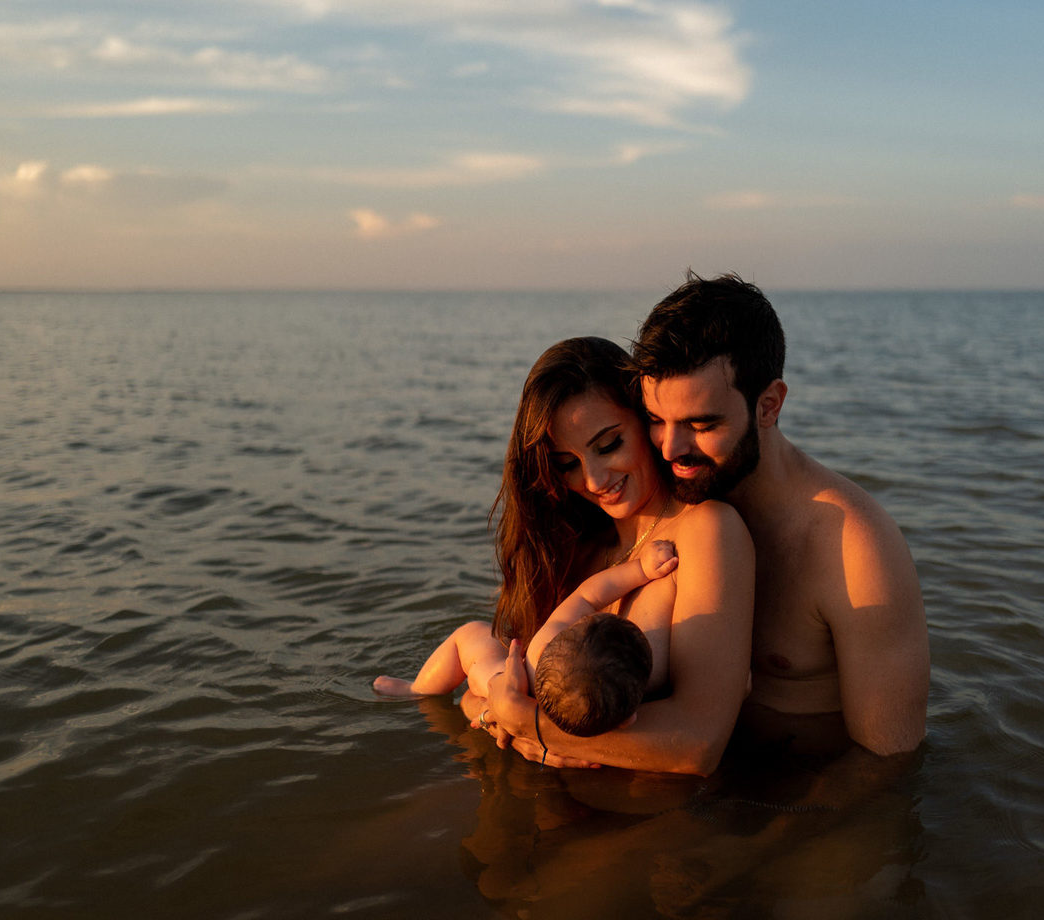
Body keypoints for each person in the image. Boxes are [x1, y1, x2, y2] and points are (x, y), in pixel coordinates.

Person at [631, 272, 929, 756]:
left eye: (701, 424)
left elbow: (888, 764)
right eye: (655, 420)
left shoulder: (853, 546)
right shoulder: (656, 498)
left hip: (794, 786)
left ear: (769, 406)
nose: (670, 449)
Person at [429, 336, 754, 774]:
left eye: (609, 444)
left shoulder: (705, 530)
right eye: (567, 464)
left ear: (647, 421)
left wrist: (530, 725)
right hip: (550, 792)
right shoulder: (577, 551)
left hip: (652, 810)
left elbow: (700, 744)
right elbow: (488, 689)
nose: (595, 480)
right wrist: (498, 716)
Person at [373, 539, 678, 738]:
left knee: (470, 635)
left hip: (500, 679)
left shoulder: (544, 645)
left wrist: (640, 569)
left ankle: (417, 689)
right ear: (628, 720)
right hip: (527, 705)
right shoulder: (617, 704)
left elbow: (587, 596)